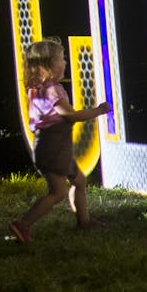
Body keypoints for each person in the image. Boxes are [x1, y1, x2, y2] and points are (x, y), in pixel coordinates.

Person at [8, 40, 111, 244]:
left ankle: (84, 220)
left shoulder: (37, 88)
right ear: (48, 66)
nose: (65, 62)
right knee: (58, 192)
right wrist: (98, 111)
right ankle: (23, 224)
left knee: (79, 181)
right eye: (61, 59)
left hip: (56, 147)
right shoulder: (52, 90)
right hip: (53, 147)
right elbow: (70, 115)